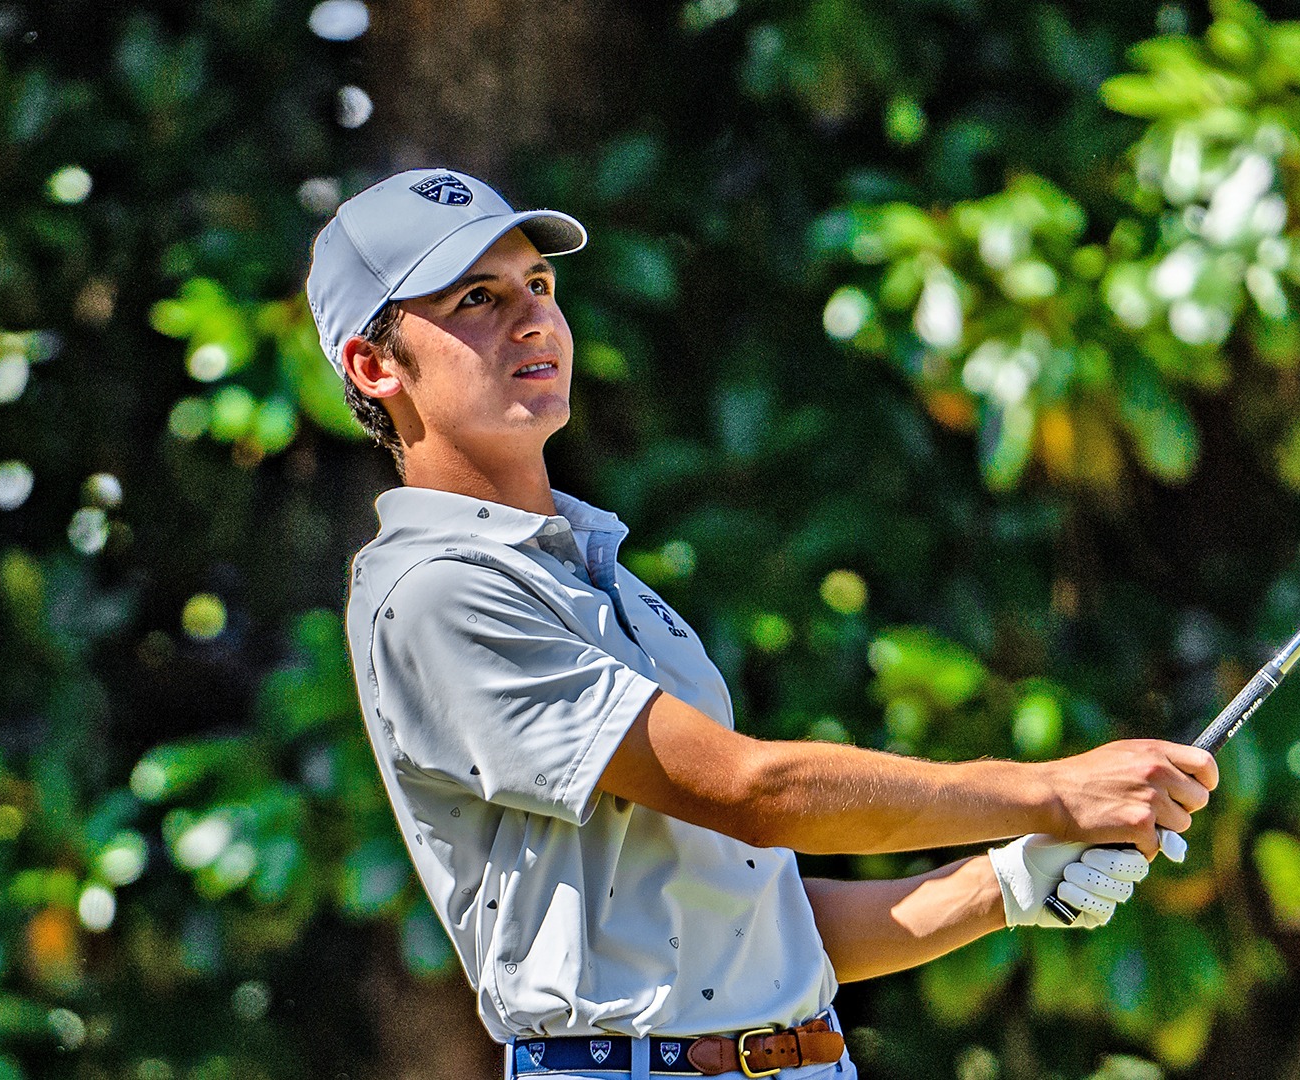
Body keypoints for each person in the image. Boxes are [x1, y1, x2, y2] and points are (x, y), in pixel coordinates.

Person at [306, 168, 1219, 1079]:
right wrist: (1055, 791)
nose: (535, 318)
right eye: (478, 297)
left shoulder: (597, 579)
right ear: (375, 365)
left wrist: (1011, 883)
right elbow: (752, 795)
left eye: (539, 285)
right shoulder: (436, 593)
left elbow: (759, 922)